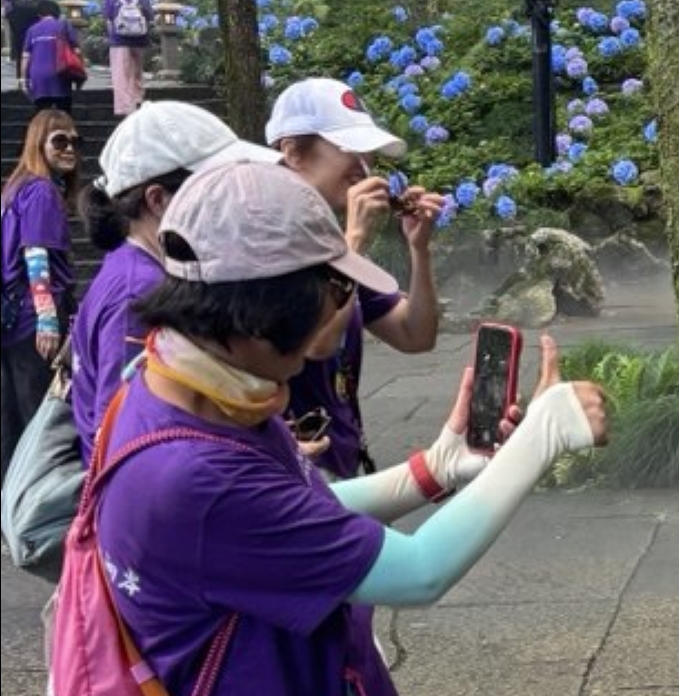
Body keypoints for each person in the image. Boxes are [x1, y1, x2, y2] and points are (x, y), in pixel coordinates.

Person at [97, 160, 606, 696]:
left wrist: (431, 471)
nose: (344, 309)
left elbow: (293, 518)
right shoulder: (192, 474)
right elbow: (419, 571)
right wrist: (541, 439)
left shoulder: (182, 386)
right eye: (334, 290)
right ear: (263, 309)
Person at [70, 100, 280, 461]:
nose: (233, 200)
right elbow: (122, 438)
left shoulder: (134, 266)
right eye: (217, 189)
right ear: (158, 200)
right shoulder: (140, 292)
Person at [266, 76, 447, 479]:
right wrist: (354, 244)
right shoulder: (264, 242)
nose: (364, 167)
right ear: (293, 152)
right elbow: (316, 343)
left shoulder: (330, 239)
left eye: (369, 153)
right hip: (291, 468)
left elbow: (415, 335)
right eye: (350, 150)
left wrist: (419, 249)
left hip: (341, 461)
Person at [2, 107, 77, 482]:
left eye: (75, 141)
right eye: (60, 141)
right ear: (38, 144)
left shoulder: (16, 190)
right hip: (34, 321)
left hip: (13, 321)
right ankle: (36, 495)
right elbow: (35, 254)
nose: (70, 148)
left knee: (13, 419)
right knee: (40, 421)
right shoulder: (42, 192)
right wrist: (47, 319)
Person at [19, 1, 78, 113]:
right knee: (63, 113)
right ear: (57, 13)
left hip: (38, 76)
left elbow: (25, 57)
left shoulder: (32, 30)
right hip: (61, 74)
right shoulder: (64, 26)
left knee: (42, 113)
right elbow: (77, 51)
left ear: (39, 14)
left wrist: (23, 79)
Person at [103, 0, 153, 116]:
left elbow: (108, 18)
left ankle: (124, 107)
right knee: (137, 71)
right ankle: (137, 99)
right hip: (140, 39)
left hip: (119, 40)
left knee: (120, 74)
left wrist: (111, 36)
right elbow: (149, 16)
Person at [5, 0, 42, 82]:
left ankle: (20, 78)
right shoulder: (35, 9)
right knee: (35, 52)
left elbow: (8, 14)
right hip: (32, 28)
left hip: (18, 31)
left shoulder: (12, 10)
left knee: (20, 52)